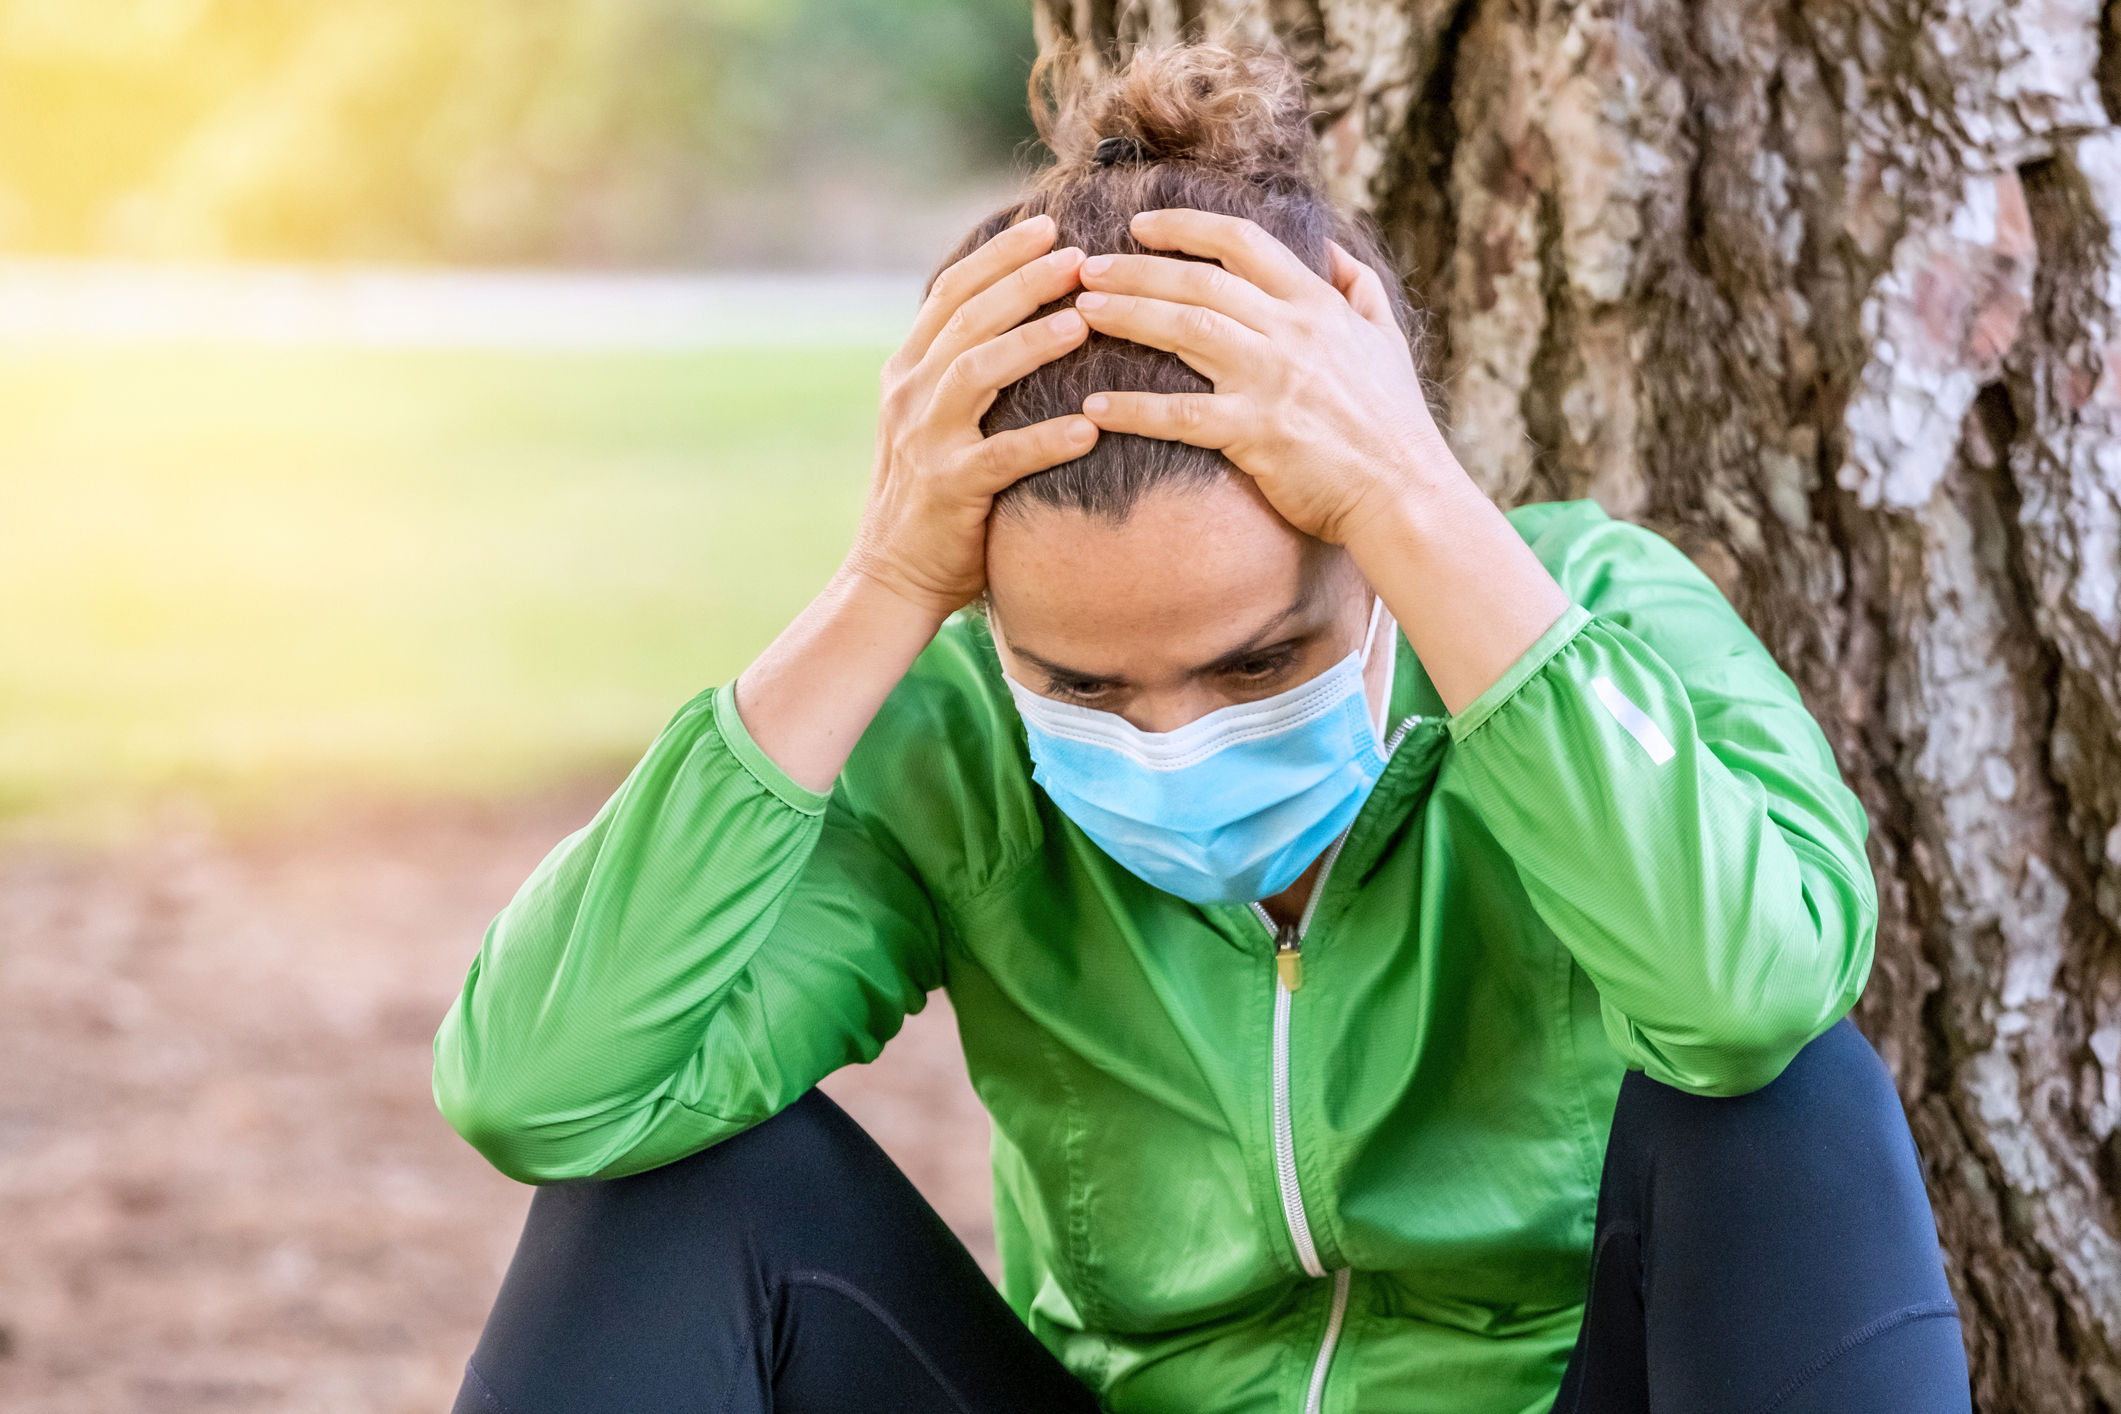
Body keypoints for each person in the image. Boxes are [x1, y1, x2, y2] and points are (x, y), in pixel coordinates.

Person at [434, 42, 1971, 1414]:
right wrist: (882, 583)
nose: (1171, 741)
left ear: (1371, 551)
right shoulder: (954, 738)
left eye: (1255, 664)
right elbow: (543, 1086)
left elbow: (1759, 988)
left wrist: (1409, 497)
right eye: (1086, 686)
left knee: (1778, 1095)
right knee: (657, 1188)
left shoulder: (1585, 612)